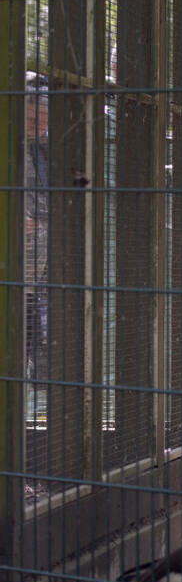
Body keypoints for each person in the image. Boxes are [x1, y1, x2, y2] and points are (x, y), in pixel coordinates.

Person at [24, 72, 49, 390]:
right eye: (32, 118)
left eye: (44, 121)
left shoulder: (47, 148)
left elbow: (78, 183)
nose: (38, 126)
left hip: (34, 274)